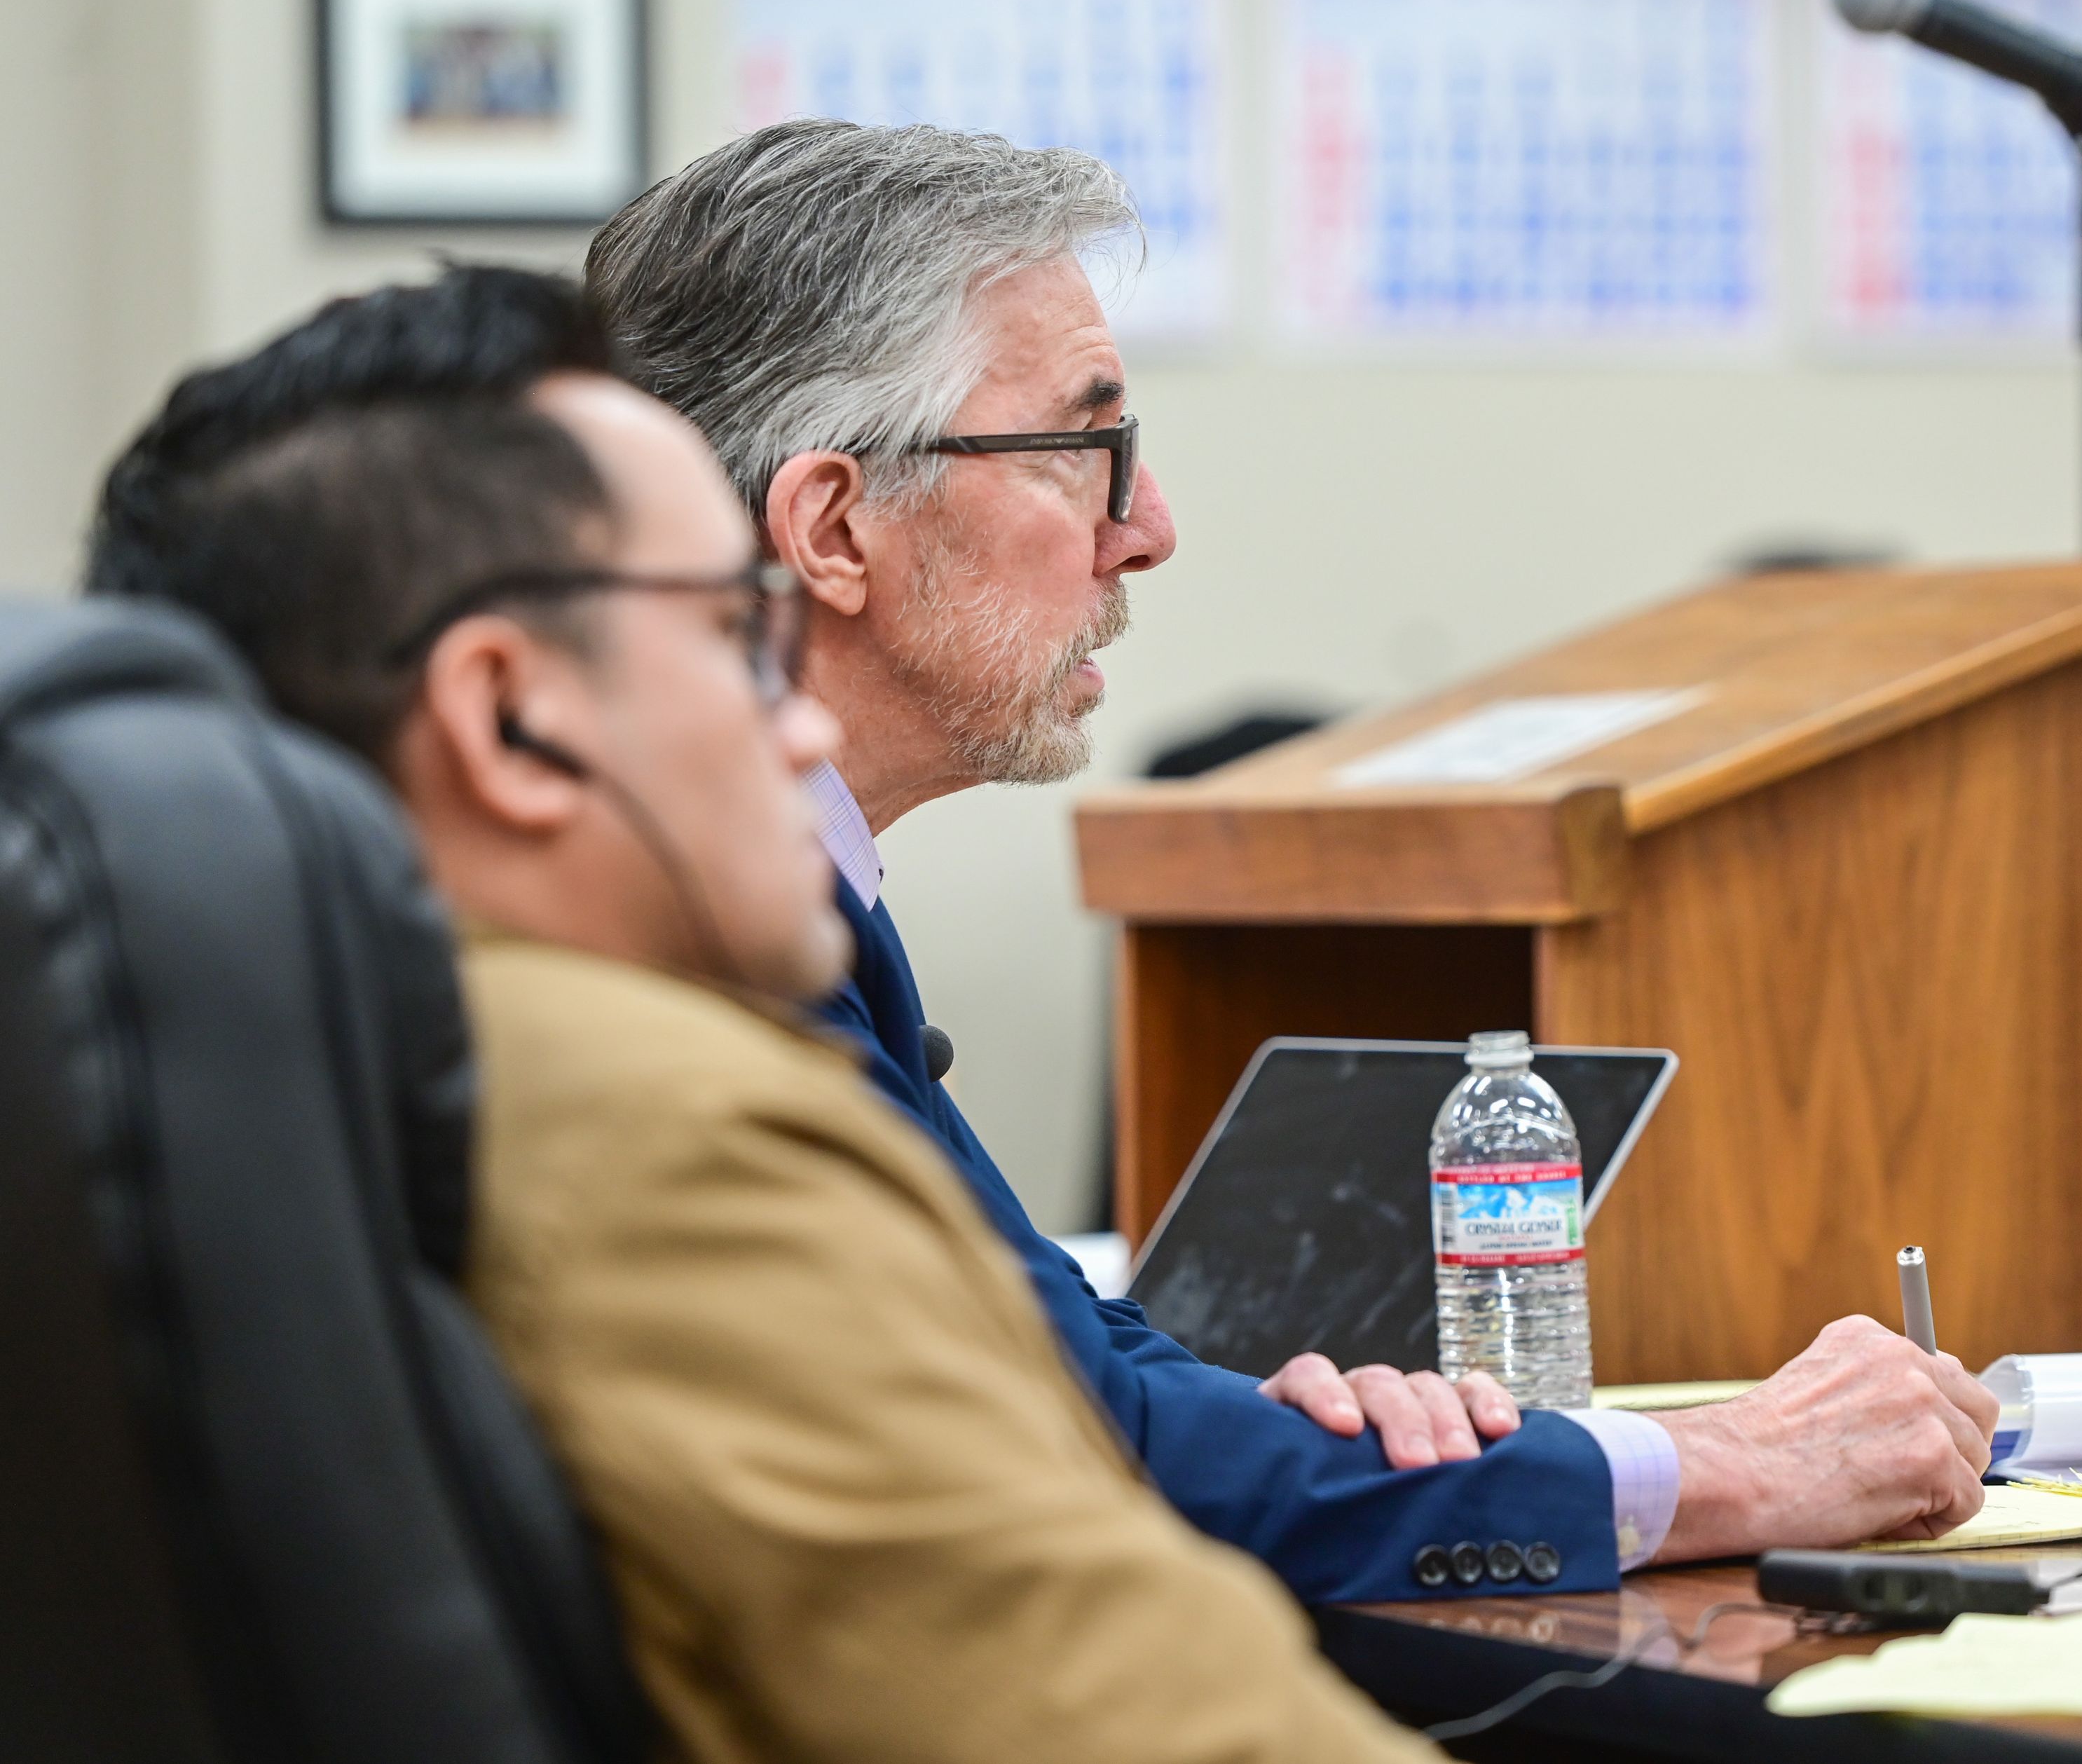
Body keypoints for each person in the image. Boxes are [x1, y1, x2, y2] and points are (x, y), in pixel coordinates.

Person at [586, 118, 2001, 1598]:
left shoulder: (789, 890)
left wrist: (1290, 1429)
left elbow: (1073, 1349)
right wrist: (1729, 1469)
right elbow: (1085, 1443)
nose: (1149, 529)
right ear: (832, 527)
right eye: (1088, 447)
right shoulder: (694, 945)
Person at [85, 265, 1439, 1764]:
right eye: (738, 634)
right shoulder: (663, 1130)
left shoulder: (274, 1060)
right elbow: (1163, 1726)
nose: (799, 720)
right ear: (509, 720)